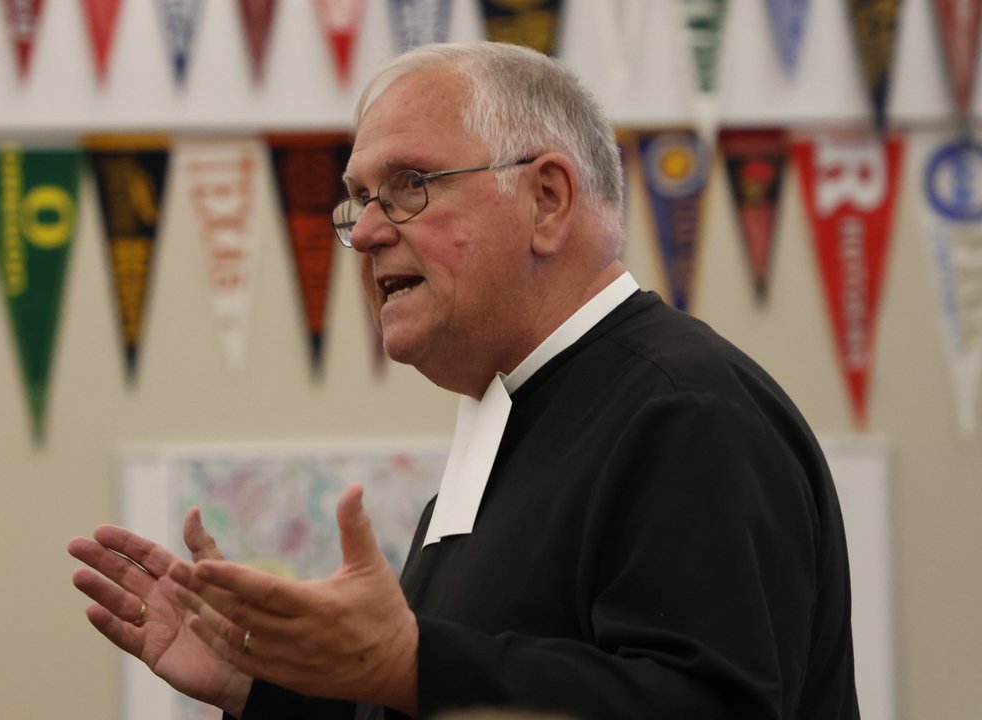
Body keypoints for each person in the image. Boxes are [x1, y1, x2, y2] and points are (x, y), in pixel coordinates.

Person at [69, 42, 859, 719]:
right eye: (357, 200)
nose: (368, 232)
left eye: (410, 183)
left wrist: (413, 663)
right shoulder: (512, 413)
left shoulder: (686, 410)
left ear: (547, 200)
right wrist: (265, 688)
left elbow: (708, 707)